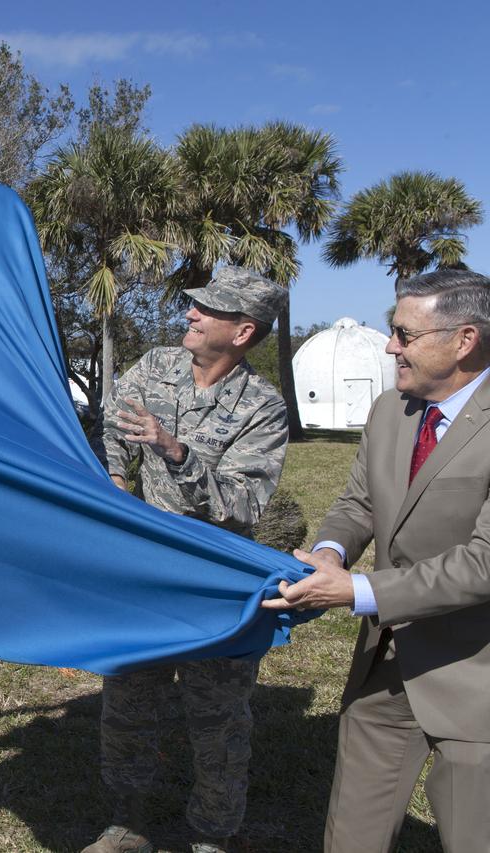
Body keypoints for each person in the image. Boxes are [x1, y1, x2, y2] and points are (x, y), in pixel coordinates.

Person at [262, 269, 490, 852]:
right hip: (383, 668)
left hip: (476, 679)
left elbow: (483, 565)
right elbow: (360, 502)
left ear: (464, 340)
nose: (390, 346)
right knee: (351, 838)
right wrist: (328, 551)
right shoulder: (392, 409)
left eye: (403, 334)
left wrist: (358, 592)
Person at [84, 266, 290, 853]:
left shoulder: (263, 408)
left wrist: (176, 451)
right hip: (143, 574)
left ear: (243, 331)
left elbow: (241, 501)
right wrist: (118, 479)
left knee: (218, 717)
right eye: (193, 305)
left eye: (207, 310)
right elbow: (113, 431)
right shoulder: (154, 367)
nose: (190, 314)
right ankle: (128, 823)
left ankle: (212, 834)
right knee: (128, 698)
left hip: (216, 585)